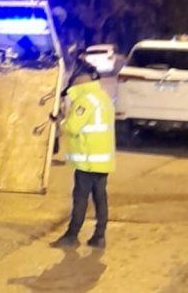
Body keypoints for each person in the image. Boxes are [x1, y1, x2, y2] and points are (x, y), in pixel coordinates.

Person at [51, 63, 115, 249]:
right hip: (102, 160)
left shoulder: (85, 101)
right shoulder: (102, 97)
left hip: (87, 160)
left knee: (80, 198)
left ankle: (72, 235)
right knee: (100, 197)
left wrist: (60, 121)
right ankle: (99, 236)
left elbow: (72, 127)